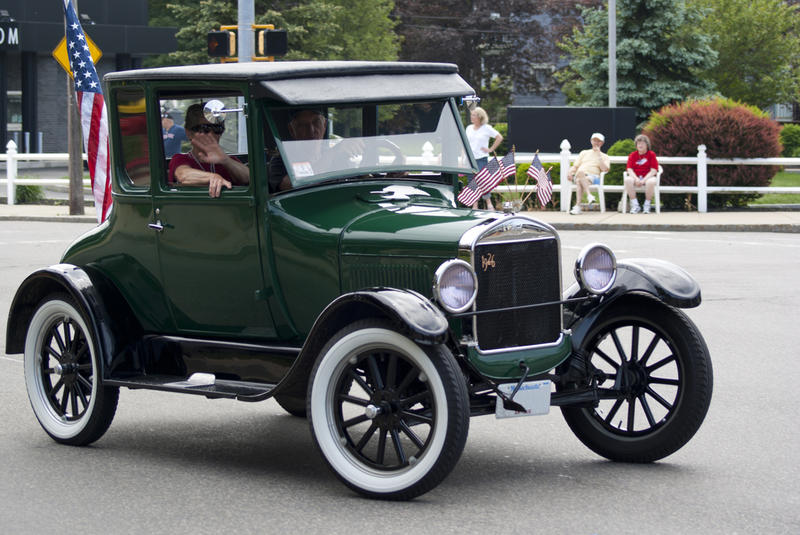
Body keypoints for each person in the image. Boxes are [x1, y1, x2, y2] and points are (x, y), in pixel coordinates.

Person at [168, 103, 250, 198]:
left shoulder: (228, 160)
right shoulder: (180, 159)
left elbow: (248, 178)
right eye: (205, 128)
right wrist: (213, 177)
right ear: (189, 133)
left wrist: (225, 160)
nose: (211, 134)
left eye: (217, 128)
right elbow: (183, 175)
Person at [268, 109, 327, 193]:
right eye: (303, 125)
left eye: (316, 122)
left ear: (324, 125)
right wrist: (331, 156)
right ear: (292, 130)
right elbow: (288, 185)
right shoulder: (281, 160)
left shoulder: (336, 156)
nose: (311, 130)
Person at [465, 106, 503, 210]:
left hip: (481, 158)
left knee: (483, 181)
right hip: (470, 159)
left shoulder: (486, 128)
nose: (471, 117)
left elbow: (499, 137)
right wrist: (463, 157)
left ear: (480, 117)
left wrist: (490, 149)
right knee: (471, 182)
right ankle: (475, 205)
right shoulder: (468, 128)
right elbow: (465, 144)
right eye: (471, 115)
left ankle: (489, 203)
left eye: (474, 115)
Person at [568, 132, 610, 215]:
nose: (596, 143)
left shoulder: (604, 156)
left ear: (602, 143)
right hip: (581, 175)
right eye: (594, 141)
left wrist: (598, 155)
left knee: (579, 180)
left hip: (594, 178)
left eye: (598, 141)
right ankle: (589, 195)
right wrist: (570, 172)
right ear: (591, 141)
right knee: (580, 173)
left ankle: (578, 206)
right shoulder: (584, 153)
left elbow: (605, 169)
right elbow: (575, 166)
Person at [625, 134, 659, 214]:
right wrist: (636, 179)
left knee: (650, 182)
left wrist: (644, 180)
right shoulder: (632, 155)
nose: (640, 145)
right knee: (627, 180)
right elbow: (629, 169)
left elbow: (653, 170)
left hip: (648, 177)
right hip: (636, 177)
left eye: (642, 143)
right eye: (638, 143)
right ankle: (635, 205)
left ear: (647, 145)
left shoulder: (651, 154)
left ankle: (647, 205)